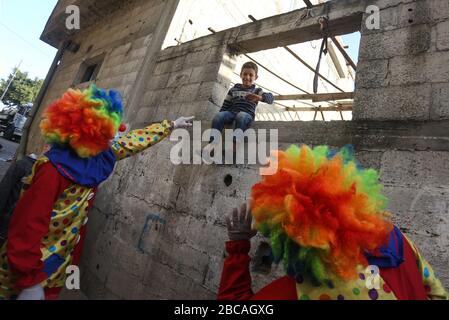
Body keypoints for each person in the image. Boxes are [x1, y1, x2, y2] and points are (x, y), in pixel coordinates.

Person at [0, 85, 193, 300]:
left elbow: (133, 141)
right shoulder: (51, 169)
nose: (116, 134)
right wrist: (29, 282)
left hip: (55, 267)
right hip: (24, 273)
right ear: (88, 132)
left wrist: (171, 125)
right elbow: (26, 227)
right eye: (107, 132)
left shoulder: (99, 155)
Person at [218, 145, 448, 300]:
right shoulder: (397, 240)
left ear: (287, 231)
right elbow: (438, 294)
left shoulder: (300, 291)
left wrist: (238, 246)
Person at [202, 62, 274, 158]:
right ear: (240, 74)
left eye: (251, 75)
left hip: (246, 114)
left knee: (241, 116)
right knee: (219, 116)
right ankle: (213, 145)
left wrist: (260, 98)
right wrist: (222, 119)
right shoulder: (233, 89)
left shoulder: (257, 91)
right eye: (245, 74)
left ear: (256, 77)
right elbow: (225, 105)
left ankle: (234, 147)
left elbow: (271, 98)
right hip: (232, 112)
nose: (247, 77)